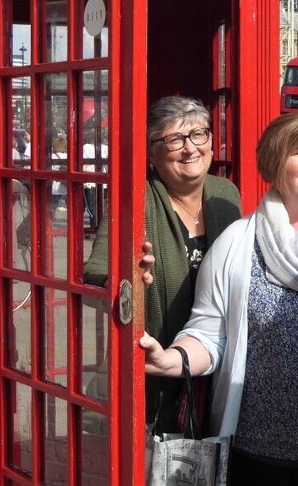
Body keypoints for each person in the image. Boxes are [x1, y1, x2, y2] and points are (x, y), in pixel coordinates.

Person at [140, 110, 298, 484]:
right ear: (275, 163)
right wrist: (170, 359)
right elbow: (210, 334)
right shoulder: (236, 242)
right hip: (252, 453)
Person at [84, 96, 242, 434]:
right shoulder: (136, 198)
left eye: (199, 134)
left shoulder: (226, 194)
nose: (190, 148)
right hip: (154, 373)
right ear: (152, 152)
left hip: (217, 369)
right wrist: (128, 279)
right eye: (174, 139)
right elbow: (94, 277)